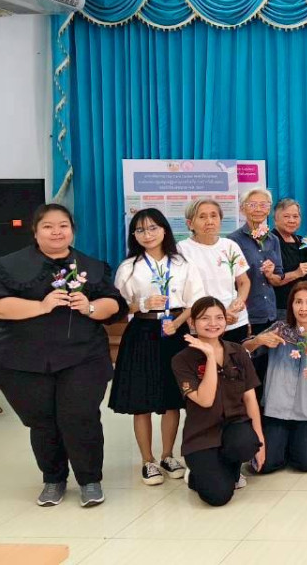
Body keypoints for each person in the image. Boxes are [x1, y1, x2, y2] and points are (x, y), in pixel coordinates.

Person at [0, 204, 125, 508]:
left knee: (80, 417)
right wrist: (41, 306)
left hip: (82, 357)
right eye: (48, 226)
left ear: (72, 230)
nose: (56, 232)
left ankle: (89, 479)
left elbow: (114, 305)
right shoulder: (10, 265)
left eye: (63, 226)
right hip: (24, 360)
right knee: (43, 421)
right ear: (35, 231)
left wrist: (90, 307)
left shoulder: (91, 266)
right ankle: (53, 479)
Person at [111, 208, 204, 486]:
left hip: (174, 331)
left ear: (164, 230)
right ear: (134, 235)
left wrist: (178, 324)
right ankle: (147, 460)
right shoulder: (129, 267)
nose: (147, 234)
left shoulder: (182, 263)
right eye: (140, 230)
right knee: (141, 400)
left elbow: (194, 302)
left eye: (153, 228)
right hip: (142, 332)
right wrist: (142, 304)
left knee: (172, 397)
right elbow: (118, 307)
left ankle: (167, 455)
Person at [172, 298, 265, 507]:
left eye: (219, 318)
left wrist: (260, 441)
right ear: (192, 323)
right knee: (218, 497)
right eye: (205, 318)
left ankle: (228, 468)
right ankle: (197, 474)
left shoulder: (238, 351)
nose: (213, 323)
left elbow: (250, 398)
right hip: (201, 434)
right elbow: (205, 400)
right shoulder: (181, 360)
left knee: (246, 444)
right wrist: (209, 356)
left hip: (234, 425)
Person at [243, 282, 307, 473]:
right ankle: (282, 443)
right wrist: (258, 341)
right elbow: (244, 350)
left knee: (306, 463)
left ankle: (300, 440)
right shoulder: (279, 330)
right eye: (298, 302)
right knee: (264, 465)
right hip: (276, 409)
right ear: (291, 305)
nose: (303, 308)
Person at [229, 189, 286, 396]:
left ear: (269, 210)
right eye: (252, 205)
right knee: (246, 371)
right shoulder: (232, 241)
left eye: (263, 205)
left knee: (267, 372)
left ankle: (264, 414)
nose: (258, 209)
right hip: (247, 315)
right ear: (242, 209)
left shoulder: (273, 240)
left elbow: (278, 277)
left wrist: (271, 274)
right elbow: (231, 281)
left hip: (269, 313)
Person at [178, 199, 252, 343]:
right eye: (202, 217)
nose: (210, 221)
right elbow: (180, 291)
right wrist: (219, 315)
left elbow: (244, 282)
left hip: (234, 321)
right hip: (202, 324)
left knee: (236, 357)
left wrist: (239, 301)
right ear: (190, 224)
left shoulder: (230, 246)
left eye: (214, 216)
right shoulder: (182, 250)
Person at [270, 198, 307, 317]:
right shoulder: (269, 241)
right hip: (279, 307)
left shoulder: (301, 241)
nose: (291, 220)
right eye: (286, 216)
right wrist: (296, 273)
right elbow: (270, 278)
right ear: (275, 219)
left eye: (295, 216)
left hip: (302, 306)